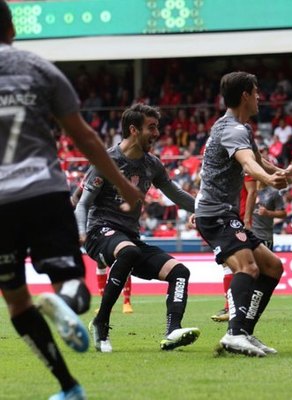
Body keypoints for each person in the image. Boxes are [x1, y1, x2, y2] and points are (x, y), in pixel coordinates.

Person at [0, 2, 142, 399]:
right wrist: (126, 186)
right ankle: (64, 301)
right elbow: (84, 137)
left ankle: (69, 387)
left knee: (15, 301)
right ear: (11, 27)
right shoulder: (39, 68)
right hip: (44, 191)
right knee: (72, 286)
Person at [195, 71, 292, 357]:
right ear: (245, 95)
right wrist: (270, 180)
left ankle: (242, 332)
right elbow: (249, 164)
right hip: (214, 213)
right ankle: (234, 333)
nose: (260, 98)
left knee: (272, 268)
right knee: (248, 268)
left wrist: (282, 173)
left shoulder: (238, 127)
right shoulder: (233, 129)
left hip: (223, 212)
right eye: (256, 92)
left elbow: (257, 159)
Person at [75, 104, 200, 353]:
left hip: (129, 238)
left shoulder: (152, 165)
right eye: (151, 127)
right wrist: (80, 232)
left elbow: (175, 194)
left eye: (157, 127)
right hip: (100, 232)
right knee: (129, 251)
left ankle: (172, 331)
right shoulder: (106, 161)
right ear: (133, 130)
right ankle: (101, 323)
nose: (157, 133)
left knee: (179, 272)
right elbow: (82, 203)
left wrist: (205, 208)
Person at [72, 184, 135, 314]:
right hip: (97, 226)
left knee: (124, 260)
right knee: (100, 263)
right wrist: (82, 208)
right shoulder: (94, 178)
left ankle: (127, 302)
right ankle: (103, 302)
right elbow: (76, 196)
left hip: (119, 224)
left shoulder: (121, 178)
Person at [211, 175, 257, 323]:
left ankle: (233, 307)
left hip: (238, 221)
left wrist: (247, 219)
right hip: (223, 218)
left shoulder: (244, 167)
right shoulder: (224, 169)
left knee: (241, 266)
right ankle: (232, 307)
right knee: (227, 265)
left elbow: (252, 192)